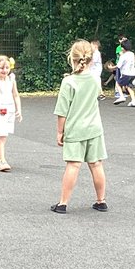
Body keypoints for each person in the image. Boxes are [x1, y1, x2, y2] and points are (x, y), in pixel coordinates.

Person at [50, 40, 108, 214]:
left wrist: (60, 131)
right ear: (90, 59)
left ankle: (63, 203)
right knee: (96, 164)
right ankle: (101, 200)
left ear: (72, 58)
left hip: (75, 129)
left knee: (73, 165)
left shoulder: (68, 82)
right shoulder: (95, 80)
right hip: (94, 128)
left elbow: (62, 111)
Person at [113, 39, 135, 107]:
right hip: (133, 74)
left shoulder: (123, 56)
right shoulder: (132, 54)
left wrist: (111, 68)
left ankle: (121, 97)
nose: (121, 49)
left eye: (121, 47)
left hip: (126, 73)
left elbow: (118, 66)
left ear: (123, 48)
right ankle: (133, 101)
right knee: (129, 87)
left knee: (118, 83)